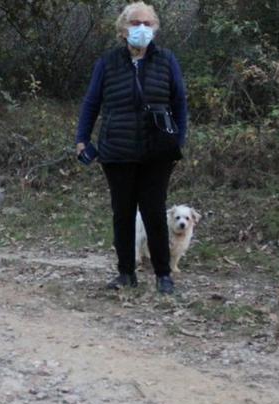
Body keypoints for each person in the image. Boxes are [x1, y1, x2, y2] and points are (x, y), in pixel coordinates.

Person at [75, 1, 188, 295]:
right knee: (122, 213)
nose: (141, 28)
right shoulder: (107, 62)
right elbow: (91, 102)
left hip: (157, 151)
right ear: (123, 29)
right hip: (117, 150)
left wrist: (179, 139)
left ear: (156, 28)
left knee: (153, 212)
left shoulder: (167, 60)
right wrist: (82, 139)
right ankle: (126, 273)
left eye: (148, 23)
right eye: (135, 23)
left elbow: (179, 102)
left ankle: (163, 275)